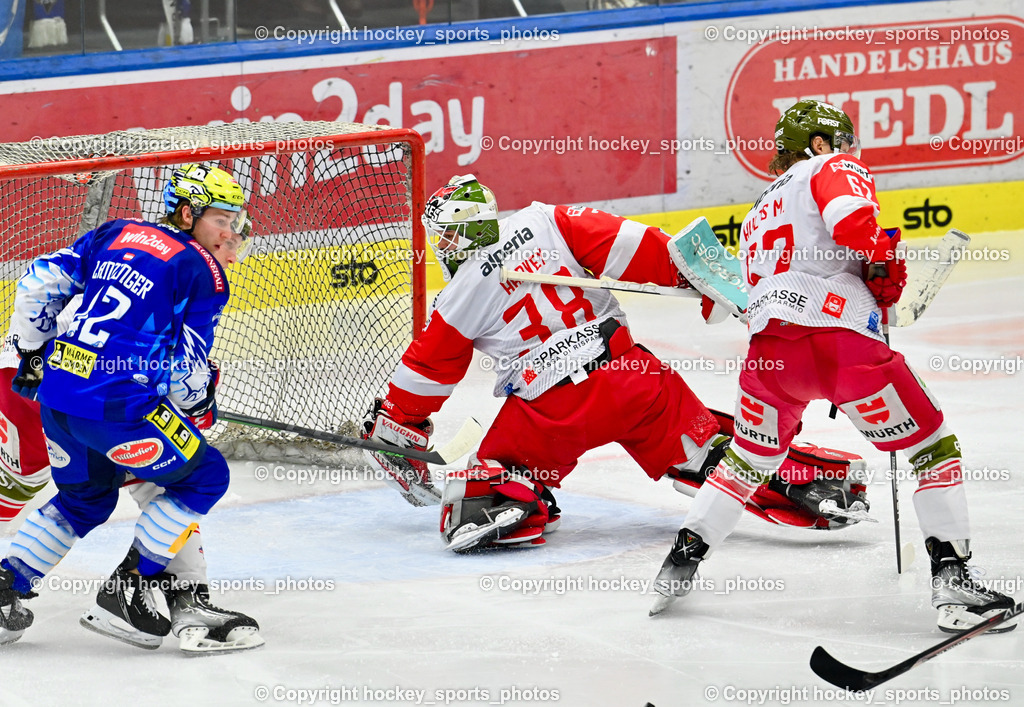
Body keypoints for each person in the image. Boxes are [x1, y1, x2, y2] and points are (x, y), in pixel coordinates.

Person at [652, 100, 1017, 633]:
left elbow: (748, 291)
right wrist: (884, 260)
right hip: (841, 345)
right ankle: (954, 583)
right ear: (820, 145)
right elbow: (853, 225)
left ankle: (681, 561)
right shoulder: (829, 168)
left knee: (745, 464)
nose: (850, 152)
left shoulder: (756, 213)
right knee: (931, 447)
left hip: (771, 360)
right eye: (841, 142)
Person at [362, 174, 871, 553]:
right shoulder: (544, 220)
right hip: (634, 379)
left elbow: (428, 371)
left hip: (551, 410)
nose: (443, 246)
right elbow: (632, 246)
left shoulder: (457, 295)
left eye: (445, 235)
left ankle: (513, 500)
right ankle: (810, 482)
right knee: (712, 456)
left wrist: (396, 424)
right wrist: (694, 276)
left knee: (484, 487)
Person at [0, 163, 262, 652]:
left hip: (56, 397)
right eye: (222, 218)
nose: (232, 230)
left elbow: (39, 281)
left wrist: (34, 351)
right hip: (119, 408)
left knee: (85, 500)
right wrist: (198, 404)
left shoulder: (117, 232)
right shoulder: (200, 270)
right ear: (187, 214)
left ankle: (4, 588)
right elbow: (187, 365)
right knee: (205, 477)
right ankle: (130, 586)